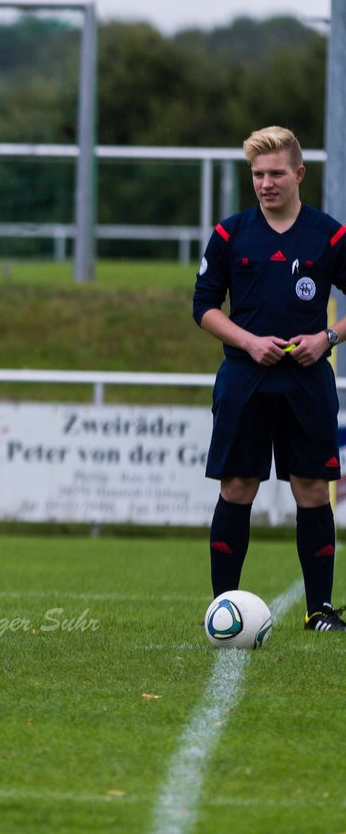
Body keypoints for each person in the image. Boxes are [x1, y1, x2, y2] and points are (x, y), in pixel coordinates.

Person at [193, 125, 346, 632]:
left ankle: (319, 611)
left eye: (276, 172)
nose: (266, 183)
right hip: (244, 378)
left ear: (299, 174)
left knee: (311, 488)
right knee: (237, 487)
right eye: (257, 174)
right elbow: (203, 308)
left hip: (306, 381)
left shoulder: (328, 234)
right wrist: (248, 341)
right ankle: (223, 608)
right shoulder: (230, 233)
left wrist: (328, 337)